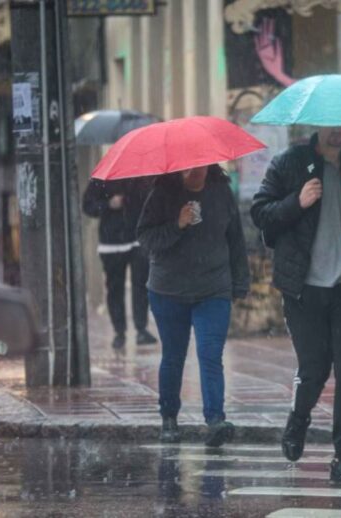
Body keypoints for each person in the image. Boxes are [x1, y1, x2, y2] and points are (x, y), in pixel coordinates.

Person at [251, 127, 341, 485]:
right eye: (330, 124)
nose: (337, 132)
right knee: (315, 368)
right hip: (304, 283)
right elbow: (261, 215)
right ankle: (299, 418)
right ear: (317, 124)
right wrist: (296, 202)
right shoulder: (289, 163)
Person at [137, 165, 249, 447]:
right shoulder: (163, 193)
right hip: (168, 290)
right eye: (187, 168)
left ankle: (215, 420)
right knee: (173, 357)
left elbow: (235, 239)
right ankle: (169, 417)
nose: (193, 172)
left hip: (213, 288)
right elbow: (147, 239)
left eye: (199, 166)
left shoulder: (221, 192)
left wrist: (240, 282)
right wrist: (177, 224)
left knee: (210, 353)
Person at [82, 178, 158, 349]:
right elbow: (88, 206)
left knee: (141, 285)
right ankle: (119, 332)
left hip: (137, 239)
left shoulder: (139, 179)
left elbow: (150, 203)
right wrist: (108, 204)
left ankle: (141, 328)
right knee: (115, 288)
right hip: (111, 242)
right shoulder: (101, 179)